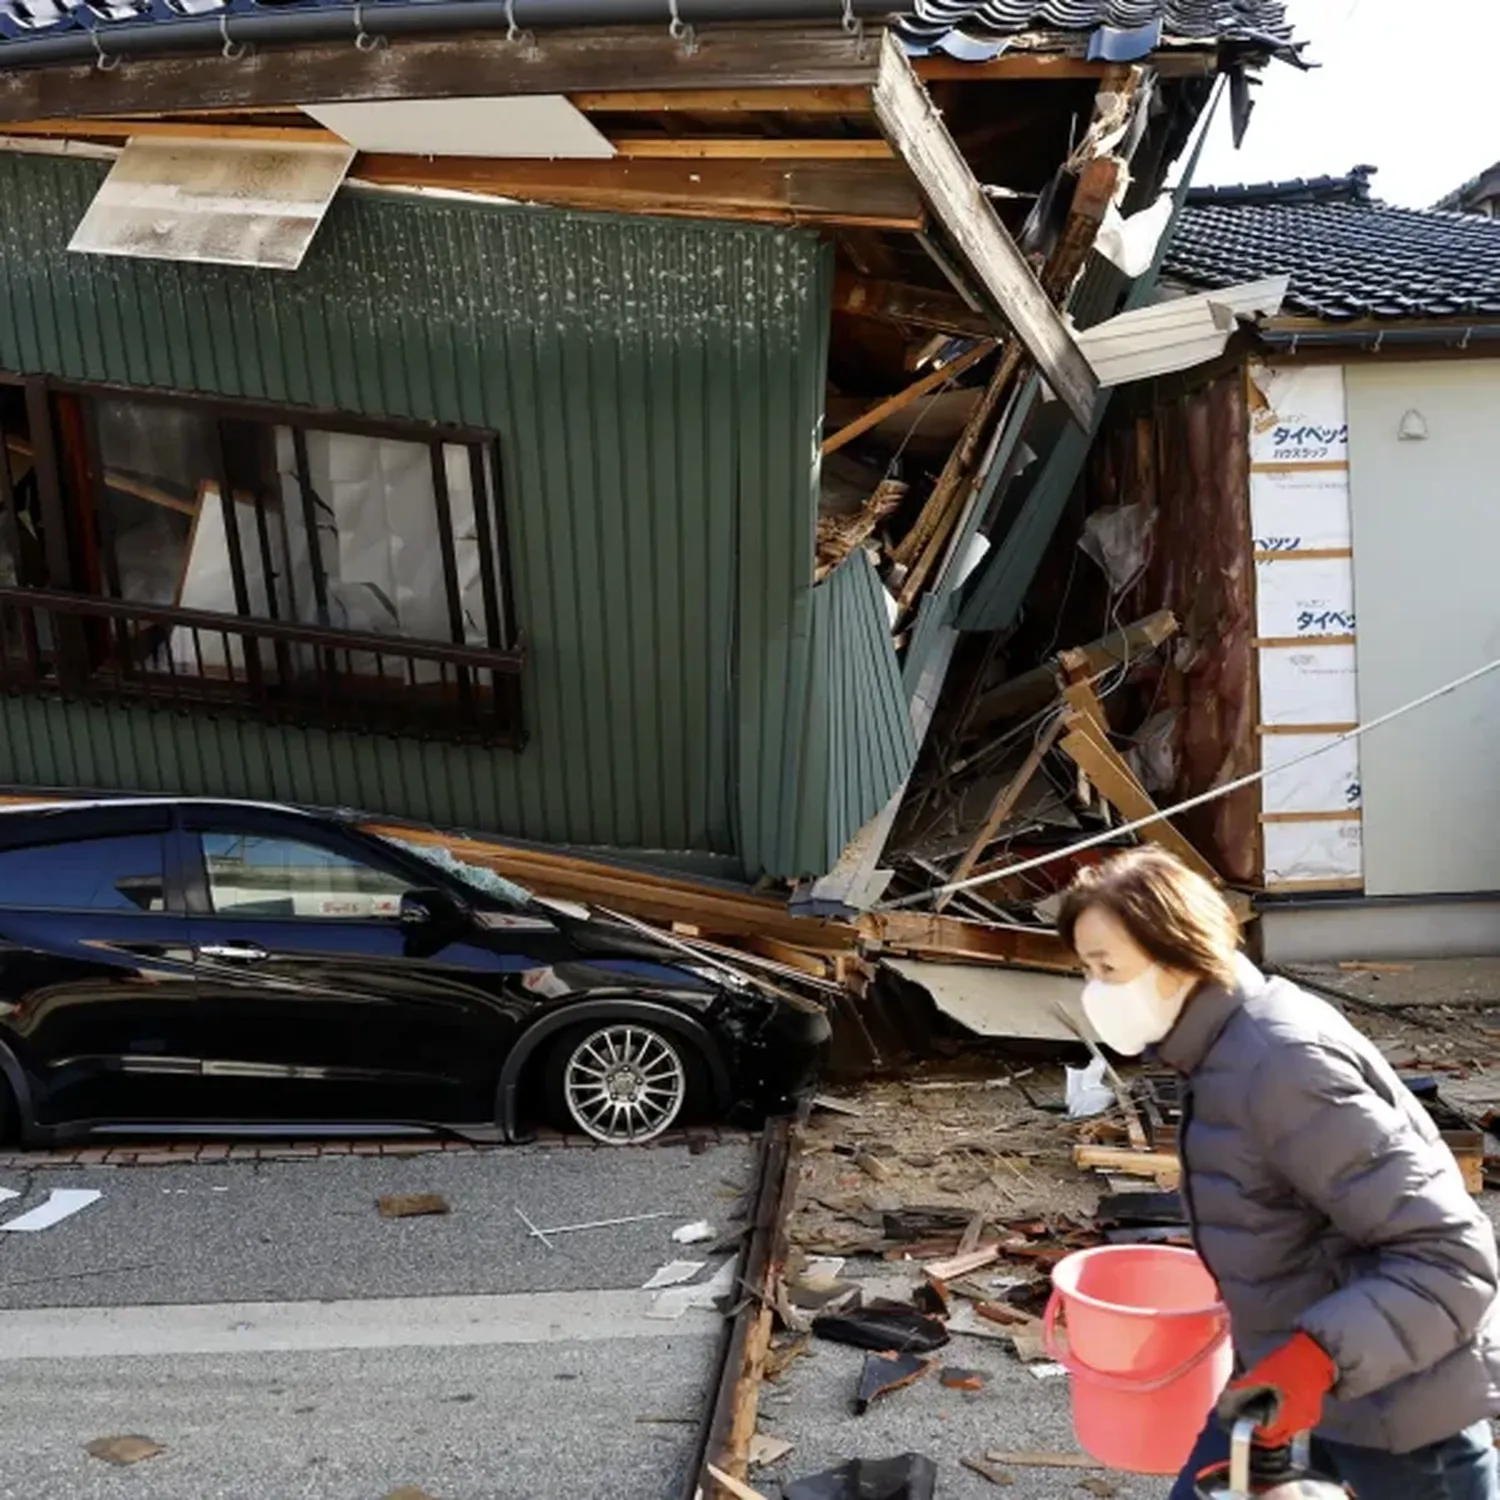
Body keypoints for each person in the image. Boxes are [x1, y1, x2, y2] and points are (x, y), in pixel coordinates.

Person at [1056, 847, 1500, 1500]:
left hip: (1403, 1417)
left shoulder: (1281, 1066)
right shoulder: (1218, 1052)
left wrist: (1312, 1361)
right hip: (1318, 1383)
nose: (1095, 992)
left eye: (1108, 968)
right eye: (1086, 970)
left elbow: (1452, 1258)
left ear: (1177, 954)